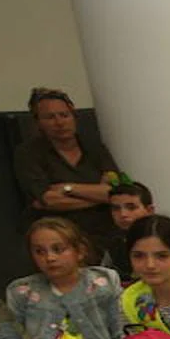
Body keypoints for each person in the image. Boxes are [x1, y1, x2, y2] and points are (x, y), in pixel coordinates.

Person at [13, 88, 119, 259]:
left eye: (64, 115)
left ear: (73, 116)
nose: (59, 122)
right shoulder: (28, 153)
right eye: (50, 117)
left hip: (103, 234)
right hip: (56, 239)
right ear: (38, 122)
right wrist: (97, 195)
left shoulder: (94, 147)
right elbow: (48, 200)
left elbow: (113, 192)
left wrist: (68, 189)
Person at [102, 181, 156, 284]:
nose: (123, 214)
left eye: (131, 207)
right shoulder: (114, 242)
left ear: (149, 210)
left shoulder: (165, 238)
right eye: (116, 209)